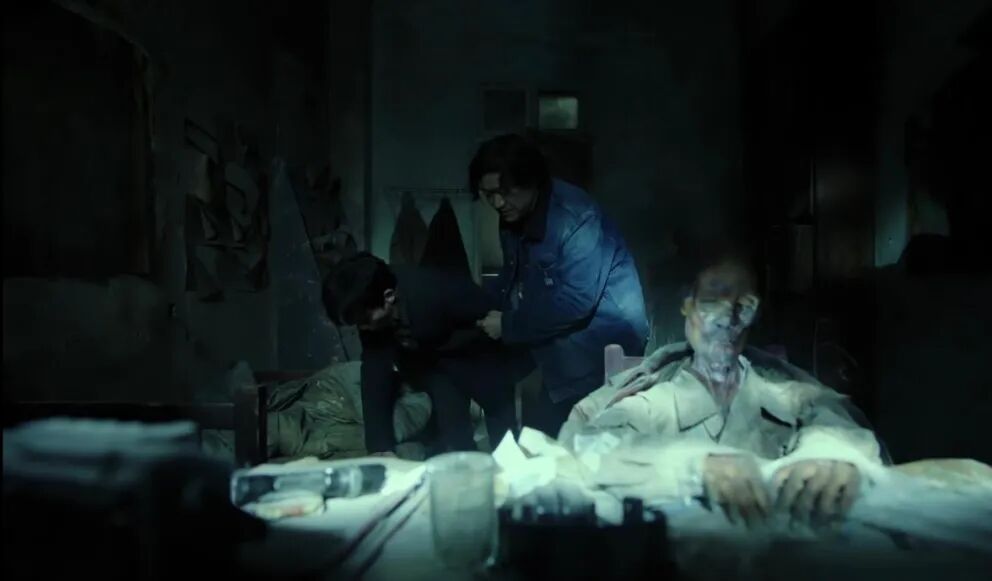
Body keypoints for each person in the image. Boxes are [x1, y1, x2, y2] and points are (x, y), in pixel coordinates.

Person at [565, 258, 884, 528]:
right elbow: (592, 446)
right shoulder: (654, 402)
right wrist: (694, 466)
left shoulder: (784, 393)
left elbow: (837, 418)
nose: (727, 321)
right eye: (711, 303)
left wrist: (831, 453)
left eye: (743, 307)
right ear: (688, 308)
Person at [470, 134, 650, 437]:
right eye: (489, 194)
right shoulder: (513, 215)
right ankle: (506, 456)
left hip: (603, 338)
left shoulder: (575, 216)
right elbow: (512, 275)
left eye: (506, 191)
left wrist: (509, 325)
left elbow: (577, 301)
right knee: (497, 380)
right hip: (560, 333)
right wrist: (474, 304)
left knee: (578, 436)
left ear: (532, 180)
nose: (498, 203)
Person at [322, 252, 522, 455]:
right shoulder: (370, 312)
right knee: (454, 441)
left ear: (388, 296)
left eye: (364, 320)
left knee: (504, 441)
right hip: (436, 367)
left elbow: (491, 320)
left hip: (480, 357)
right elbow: (375, 373)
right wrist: (379, 447)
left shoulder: (436, 290)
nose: (362, 328)